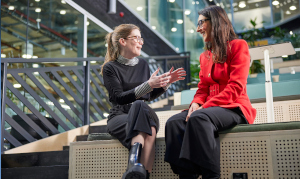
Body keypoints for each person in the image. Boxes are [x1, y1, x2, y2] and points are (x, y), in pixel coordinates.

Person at [164, 6, 257, 179]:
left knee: (199, 117)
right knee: (173, 123)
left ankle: (211, 176)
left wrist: (204, 107)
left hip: (234, 107)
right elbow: (202, 88)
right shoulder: (204, 56)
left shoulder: (238, 46)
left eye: (201, 23)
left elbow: (236, 87)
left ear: (215, 21)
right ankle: (187, 175)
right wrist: (196, 104)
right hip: (208, 109)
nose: (198, 28)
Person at [101, 24, 186, 179]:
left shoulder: (143, 65)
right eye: (136, 38)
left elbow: (147, 96)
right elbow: (118, 98)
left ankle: (135, 167)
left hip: (141, 112)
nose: (141, 42)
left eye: (141, 38)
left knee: (141, 107)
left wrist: (166, 83)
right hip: (120, 115)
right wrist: (148, 85)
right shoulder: (110, 68)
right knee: (150, 128)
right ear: (123, 41)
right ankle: (140, 171)